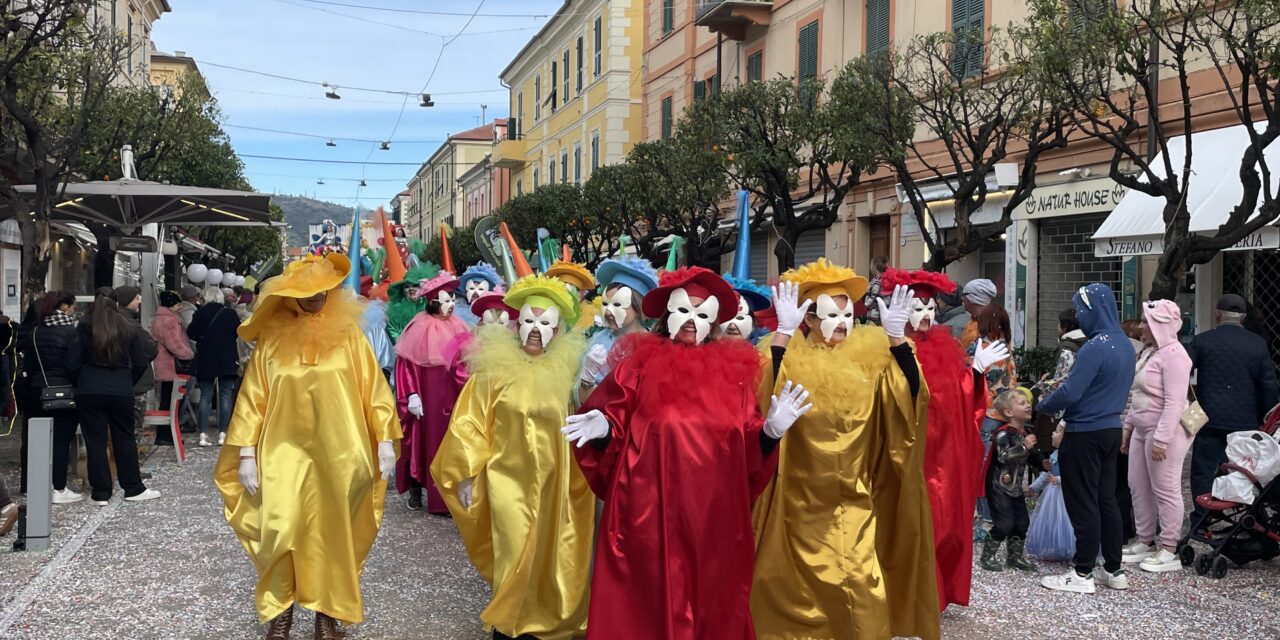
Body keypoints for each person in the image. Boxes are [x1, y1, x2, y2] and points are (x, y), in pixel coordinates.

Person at [564, 266, 810, 640]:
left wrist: (770, 433)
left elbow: (746, 451)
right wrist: (602, 430)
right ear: (666, 316)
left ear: (714, 321)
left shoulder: (734, 377)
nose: (692, 321)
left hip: (712, 522)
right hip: (647, 517)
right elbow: (613, 418)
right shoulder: (637, 366)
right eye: (684, 310)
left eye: (701, 313)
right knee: (644, 606)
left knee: (711, 603)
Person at [213, 253, 400, 639]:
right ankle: (280, 614)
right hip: (281, 452)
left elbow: (374, 392)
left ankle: (326, 616)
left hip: (342, 453)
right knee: (279, 530)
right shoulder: (271, 342)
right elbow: (252, 399)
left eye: (321, 290)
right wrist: (246, 454)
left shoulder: (350, 337)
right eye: (306, 291)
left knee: (334, 533)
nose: (315, 297)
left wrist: (384, 441)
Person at [751, 259, 938, 640]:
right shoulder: (784, 358)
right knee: (792, 588)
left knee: (860, 582)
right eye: (830, 314)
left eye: (847, 313)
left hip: (855, 499)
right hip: (795, 502)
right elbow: (759, 399)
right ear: (809, 319)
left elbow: (910, 402)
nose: (841, 321)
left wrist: (898, 342)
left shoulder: (870, 360)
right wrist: (783, 337)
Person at [431, 275, 592, 640]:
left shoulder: (570, 371)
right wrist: (468, 472)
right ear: (517, 324)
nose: (536, 330)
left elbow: (588, 414)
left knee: (551, 555)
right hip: (507, 480)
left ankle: (546, 621)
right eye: (530, 321)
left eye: (545, 323)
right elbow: (470, 421)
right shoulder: (494, 369)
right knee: (513, 549)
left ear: (557, 328)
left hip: (559, 482)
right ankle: (508, 625)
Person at [883, 268, 1008, 610]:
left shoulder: (946, 347)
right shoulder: (886, 351)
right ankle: (908, 596)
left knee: (946, 528)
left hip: (944, 459)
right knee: (909, 528)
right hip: (909, 456)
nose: (924, 315)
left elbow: (960, 401)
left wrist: (974, 374)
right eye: (916, 307)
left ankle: (935, 592)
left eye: (928, 307)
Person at [1037, 283, 1135, 594]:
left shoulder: (1096, 346)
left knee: (1082, 502)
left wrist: (1043, 405)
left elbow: (1071, 391)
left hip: (1084, 432)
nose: (1079, 315)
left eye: (1081, 309)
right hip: (1110, 429)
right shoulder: (1125, 344)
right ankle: (1113, 569)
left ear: (1093, 310)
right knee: (1107, 499)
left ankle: (1082, 572)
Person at [1187, 294, 1278, 524]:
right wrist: (1266, 419)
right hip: (1244, 421)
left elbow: (1181, 372)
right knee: (1244, 470)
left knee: (1203, 469)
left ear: (1217, 314)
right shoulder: (1257, 344)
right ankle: (1246, 514)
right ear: (1243, 317)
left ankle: (1203, 515)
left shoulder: (1202, 341)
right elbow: (1268, 385)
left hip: (1208, 418)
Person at [66, 292, 160, 505]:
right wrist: (127, 381)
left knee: (95, 441)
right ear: (117, 306)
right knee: (124, 438)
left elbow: (72, 362)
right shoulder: (127, 327)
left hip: (90, 388)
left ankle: (100, 492)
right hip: (120, 387)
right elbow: (139, 361)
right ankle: (133, 487)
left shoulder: (84, 327)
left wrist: (81, 380)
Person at [1120, 300, 1193, 573]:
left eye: (1145, 322)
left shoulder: (1175, 356)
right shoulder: (1150, 353)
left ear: (1159, 325)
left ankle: (1169, 548)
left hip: (1166, 431)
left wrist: (1162, 439)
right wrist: (1128, 427)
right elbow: (1137, 395)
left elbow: (1174, 402)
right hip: (1141, 428)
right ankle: (1145, 539)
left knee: (1166, 488)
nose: (1140, 326)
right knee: (1137, 484)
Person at [394, 272, 469, 513]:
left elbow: (465, 361)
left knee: (449, 443)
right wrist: (412, 394)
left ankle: (447, 498)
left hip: (451, 395)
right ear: (433, 301)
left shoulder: (459, 326)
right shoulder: (420, 327)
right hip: (427, 397)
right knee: (422, 440)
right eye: (445, 300)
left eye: (452, 299)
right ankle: (417, 487)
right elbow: (407, 364)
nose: (451, 305)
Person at [18, 290, 82, 503]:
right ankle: (59, 488)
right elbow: (73, 364)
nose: (74, 311)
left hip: (38, 390)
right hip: (63, 391)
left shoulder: (35, 331)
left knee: (36, 439)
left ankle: (33, 485)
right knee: (62, 440)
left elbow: (28, 365)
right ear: (64, 308)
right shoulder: (70, 332)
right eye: (72, 306)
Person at [576, 257, 659, 403]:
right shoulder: (597, 341)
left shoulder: (655, 346)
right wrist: (586, 381)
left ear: (638, 307)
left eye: (618, 304)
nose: (608, 311)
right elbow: (583, 401)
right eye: (605, 304)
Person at [980, 389, 1039, 572]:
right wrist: (1024, 446)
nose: (1028, 405)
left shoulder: (1023, 432)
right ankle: (988, 555)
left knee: (1022, 522)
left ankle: (1015, 557)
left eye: (1027, 402)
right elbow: (1004, 456)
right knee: (1004, 523)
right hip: (999, 485)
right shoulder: (1002, 434)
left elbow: (1031, 455)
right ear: (1008, 412)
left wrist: (1043, 462)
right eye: (1022, 403)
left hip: (1014, 487)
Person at [187, 287, 242, 448]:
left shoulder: (200, 313)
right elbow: (238, 332)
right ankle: (223, 434)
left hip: (206, 359)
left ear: (205, 298)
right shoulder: (229, 314)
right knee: (225, 395)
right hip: (226, 359)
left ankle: (203, 435)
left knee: (205, 396)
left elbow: (191, 333)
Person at [114, 286, 160, 439]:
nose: (139, 301)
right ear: (127, 301)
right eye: (136, 298)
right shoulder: (130, 324)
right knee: (133, 428)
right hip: (135, 382)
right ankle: (132, 460)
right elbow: (151, 348)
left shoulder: (115, 320)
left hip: (117, 381)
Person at [150, 290, 195, 445]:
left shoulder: (159, 318)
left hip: (163, 365)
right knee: (171, 403)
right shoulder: (169, 321)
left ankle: (164, 435)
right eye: (177, 303)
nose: (180, 306)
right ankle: (167, 435)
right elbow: (174, 344)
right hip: (171, 366)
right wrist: (189, 354)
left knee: (166, 400)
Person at [1026, 425, 1074, 562]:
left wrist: (1058, 480)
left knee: (1066, 521)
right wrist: (1034, 487)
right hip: (1052, 495)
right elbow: (1047, 474)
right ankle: (1056, 547)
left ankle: (1071, 548)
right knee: (1051, 520)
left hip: (1065, 494)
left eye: (1057, 431)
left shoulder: (1070, 455)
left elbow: (1074, 476)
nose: (1053, 433)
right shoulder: (1054, 455)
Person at [386, 262, 441, 343]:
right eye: (407, 287)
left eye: (416, 285)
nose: (411, 289)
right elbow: (394, 334)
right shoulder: (396, 311)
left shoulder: (432, 305)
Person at [452, 262, 505, 328]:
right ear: (466, 291)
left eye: (480, 289)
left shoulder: (496, 312)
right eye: (471, 288)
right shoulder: (456, 312)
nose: (475, 292)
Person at [959, 278, 998, 347]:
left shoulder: (988, 328)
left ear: (973, 298)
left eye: (964, 294)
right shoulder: (974, 321)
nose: (962, 298)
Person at [862, 255, 890, 326]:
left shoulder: (877, 280)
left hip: (874, 315)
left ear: (874, 266)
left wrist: (864, 306)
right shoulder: (887, 279)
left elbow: (873, 297)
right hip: (883, 314)